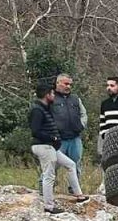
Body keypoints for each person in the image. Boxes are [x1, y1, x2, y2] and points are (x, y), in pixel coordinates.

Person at [30, 84, 88, 214]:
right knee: (49, 175)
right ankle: (49, 206)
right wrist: (52, 138)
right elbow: (35, 131)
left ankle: (78, 195)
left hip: (51, 146)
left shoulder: (45, 108)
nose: (54, 96)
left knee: (71, 164)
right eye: (52, 93)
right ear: (47, 95)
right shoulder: (37, 110)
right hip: (43, 146)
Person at [49, 74, 87, 173]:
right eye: (66, 84)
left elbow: (83, 114)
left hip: (75, 139)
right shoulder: (51, 98)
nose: (68, 86)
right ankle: (45, 188)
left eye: (70, 84)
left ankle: (74, 188)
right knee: (51, 167)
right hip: (58, 140)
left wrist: (81, 125)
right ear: (58, 83)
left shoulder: (75, 99)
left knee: (76, 166)